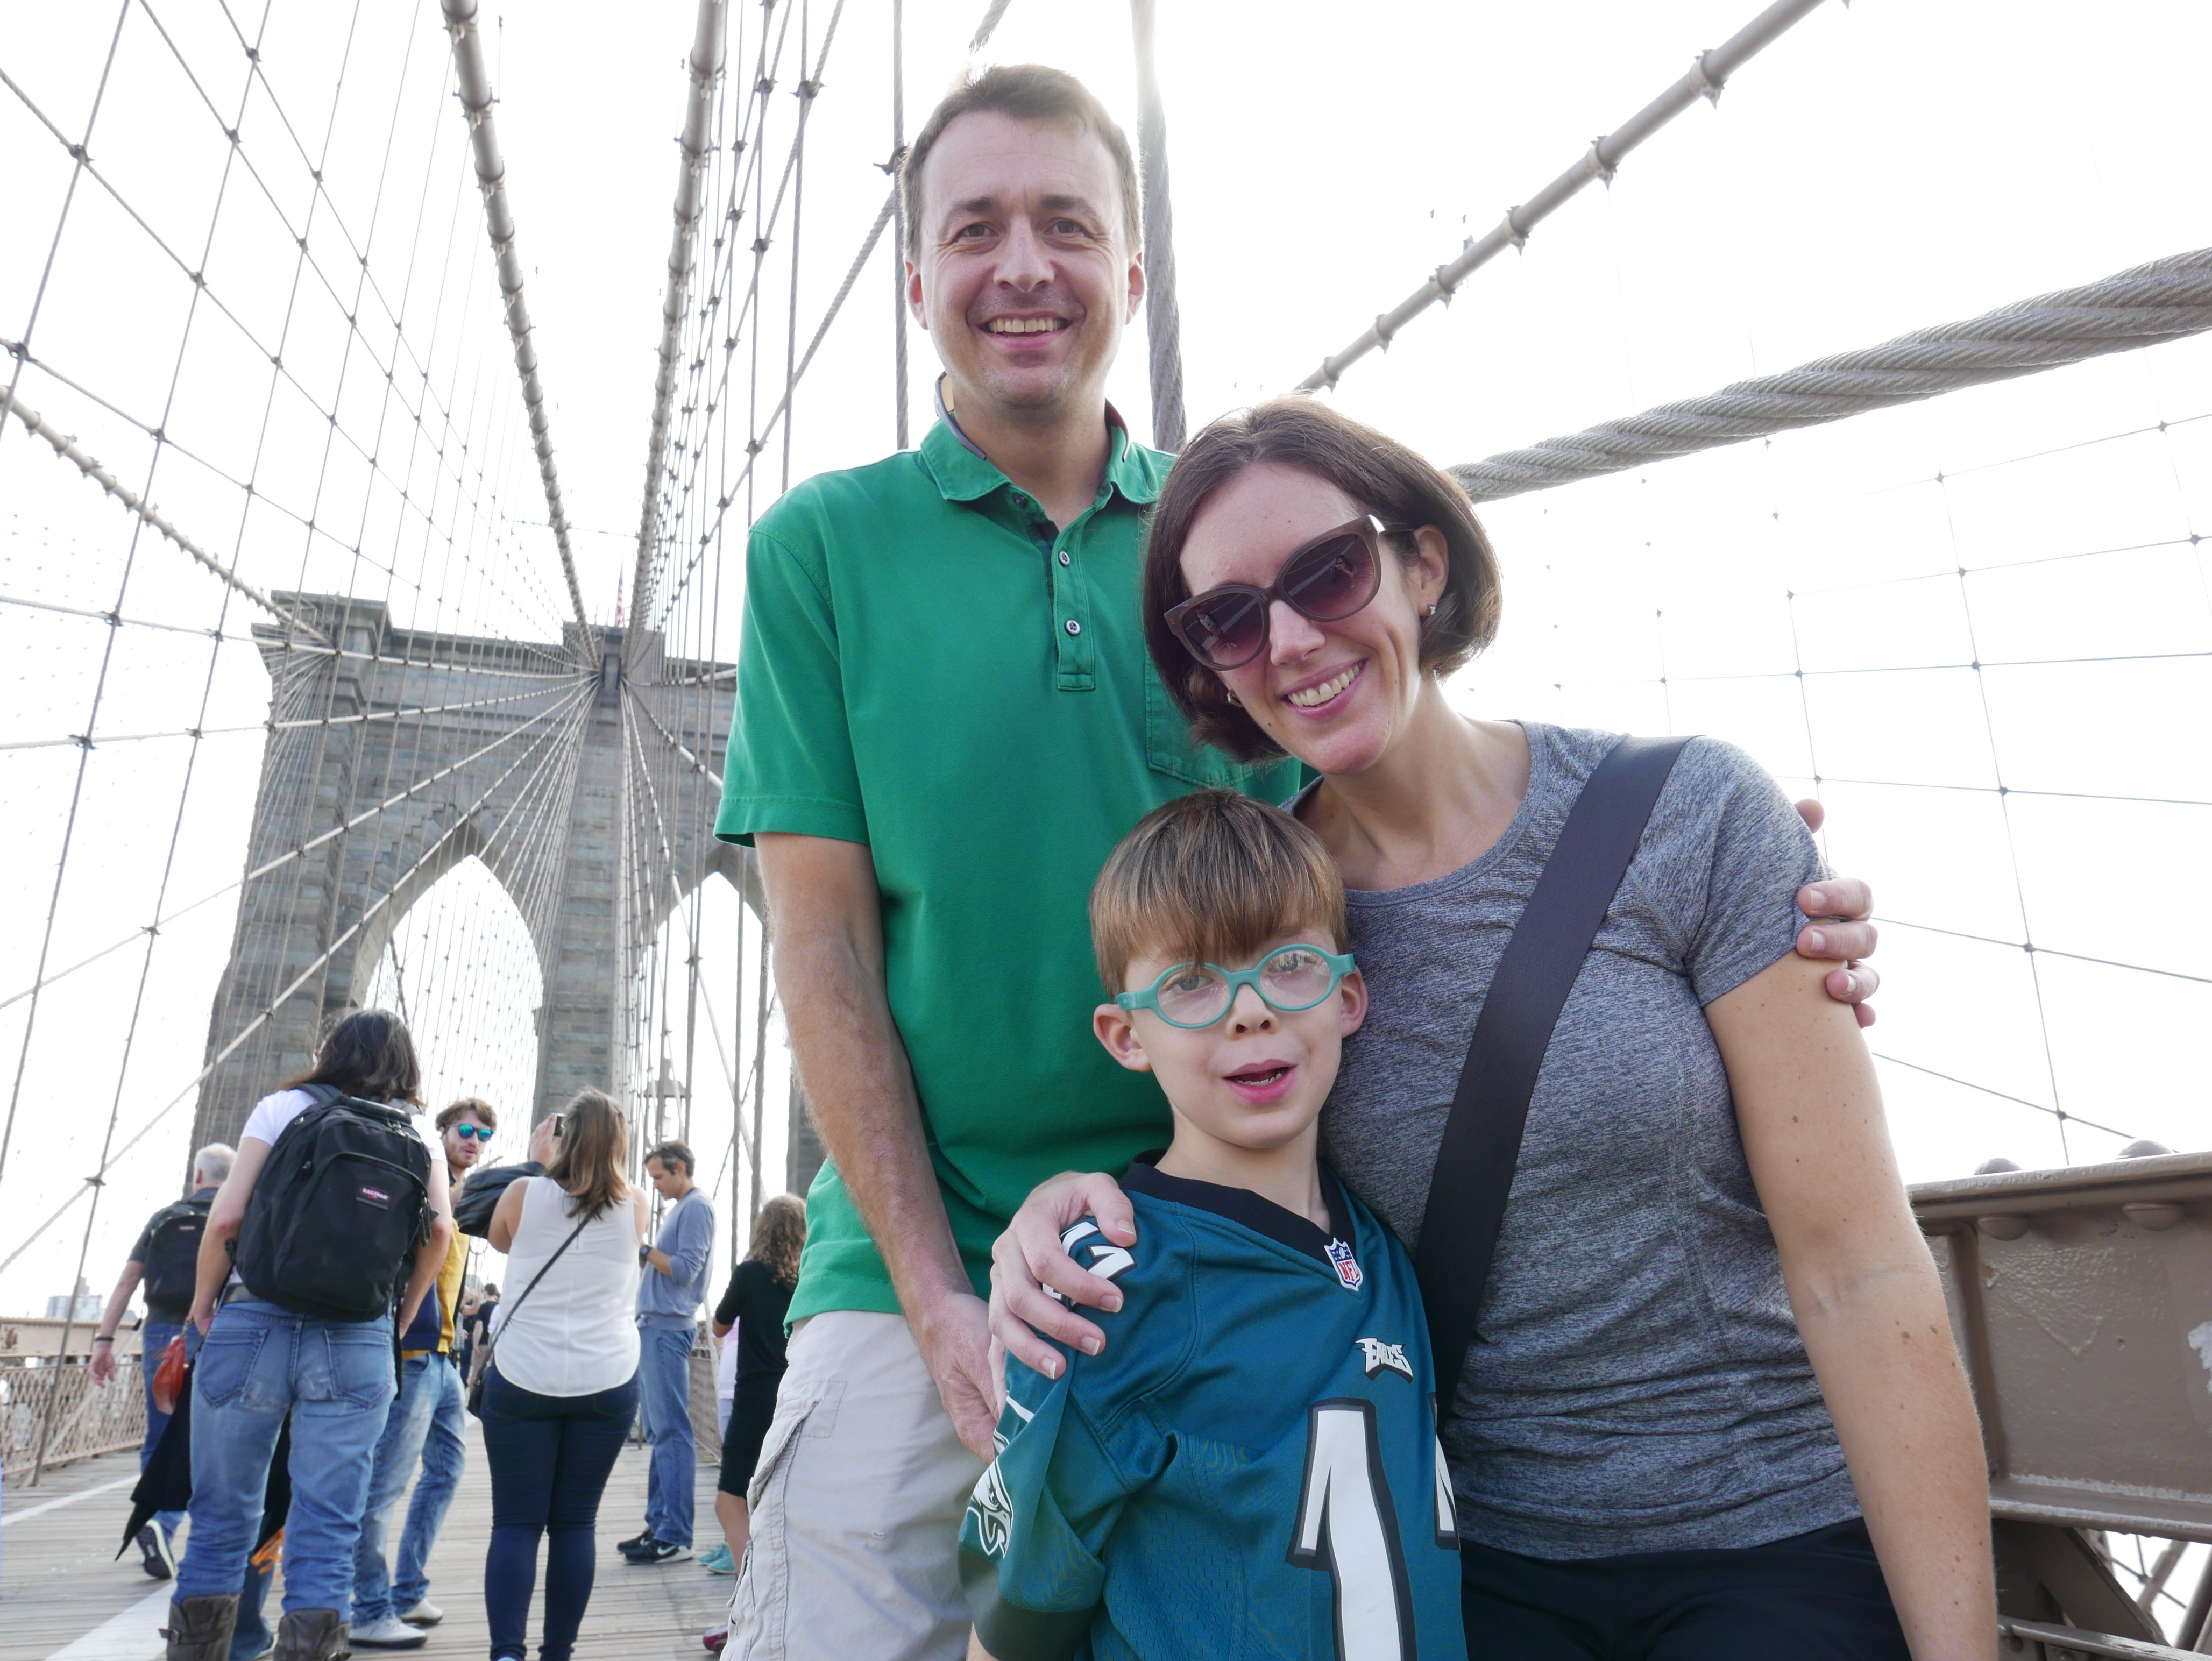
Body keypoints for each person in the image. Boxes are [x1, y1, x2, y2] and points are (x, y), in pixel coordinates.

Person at [713, 61, 1880, 1661]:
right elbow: (821, 947)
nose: (1020, 265)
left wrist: (1715, 863)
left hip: (1249, 1273)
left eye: (1066, 223)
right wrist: (934, 1296)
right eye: (972, 229)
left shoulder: (1222, 556)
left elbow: (1380, 788)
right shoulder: (816, 551)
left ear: (1133, 273)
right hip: (906, 1267)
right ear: (914, 280)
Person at [992, 398, 1994, 1659]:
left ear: (1422, 563)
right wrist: (1060, 1211)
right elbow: (1206, 1167)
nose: (1291, 638)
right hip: (1474, 1570)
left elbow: (1857, 1268)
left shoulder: (1691, 819)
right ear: (1208, 665)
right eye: (1230, 618)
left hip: (1767, 1542)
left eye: (1328, 570)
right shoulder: (1262, 933)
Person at [965, 791, 1461, 1660]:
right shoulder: (1109, 1290)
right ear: (1125, 1035)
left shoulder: (1384, 1246)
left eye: (1289, 963)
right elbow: (1010, 1634)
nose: (1249, 1008)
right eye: (1191, 980)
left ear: (1349, 995)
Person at [165, 1009, 454, 1661]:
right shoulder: (418, 1134)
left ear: (331, 1051)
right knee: (327, 1528)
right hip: (357, 1336)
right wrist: (402, 1316)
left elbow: (228, 1216)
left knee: (220, 1521)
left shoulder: (283, 1107)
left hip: (253, 1318)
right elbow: (439, 1233)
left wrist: (204, 1305)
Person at [481, 1088, 651, 1661]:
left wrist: (536, 1162)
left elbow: (500, 1239)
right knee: (575, 1524)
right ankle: (558, 1653)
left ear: (563, 1136)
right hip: (605, 1381)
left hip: (523, 1375)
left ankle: (507, 1652)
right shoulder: (638, 1206)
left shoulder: (524, 1191)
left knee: (516, 1522)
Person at [350, 1097, 498, 1644]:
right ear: (441, 1131)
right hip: (412, 1355)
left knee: (444, 1472)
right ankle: (367, 1607)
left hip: (444, 1359)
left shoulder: (459, 1194)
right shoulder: (420, 1174)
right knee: (384, 1486)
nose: (473, 1140)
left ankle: (407, 1590)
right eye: (464, 1129)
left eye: (482, 1134)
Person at [92, 1142, 235, 1580]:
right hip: (220, 1332)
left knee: (160, 1438)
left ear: (197, 1176)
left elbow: (127, 1281)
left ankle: (154, 1526)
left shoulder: (164, 1219)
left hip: (161, 1335)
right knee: (221, 1440)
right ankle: (186, 1528)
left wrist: (104, 1340)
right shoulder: (240, 1214)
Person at [700, 1195, 806, 1586]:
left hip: (753, 1399)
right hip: (797, 1396)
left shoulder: (750, 1274)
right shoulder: (807, 1278)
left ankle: (754, 1594)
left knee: (730, 1500)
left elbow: (719, 1326)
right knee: (783, 1500)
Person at [619, 1139, 715, 1566]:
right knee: (662, 1433)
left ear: (680, 1170)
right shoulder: (683, 1209)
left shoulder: (695, 1208)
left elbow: (682, 1269)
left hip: (666, 1328)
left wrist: (640, 1247)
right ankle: (660, 1525)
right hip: (656, 1327)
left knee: (672, 1432)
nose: (655, 1185)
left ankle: (674, 1534)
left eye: (659, 1176)